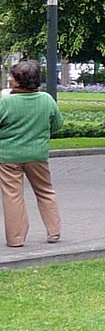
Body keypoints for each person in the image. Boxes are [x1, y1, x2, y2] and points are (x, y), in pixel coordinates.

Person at [0, 61, 63, 248]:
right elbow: (58, 125)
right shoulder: (46, 99)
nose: (9, 79)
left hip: (8, 157)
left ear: (19, 81)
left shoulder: (6, 103)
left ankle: (16, 239)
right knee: (45, 191)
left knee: (12, 195)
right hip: (38, 155)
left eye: (11, 76)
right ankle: (54, 232)